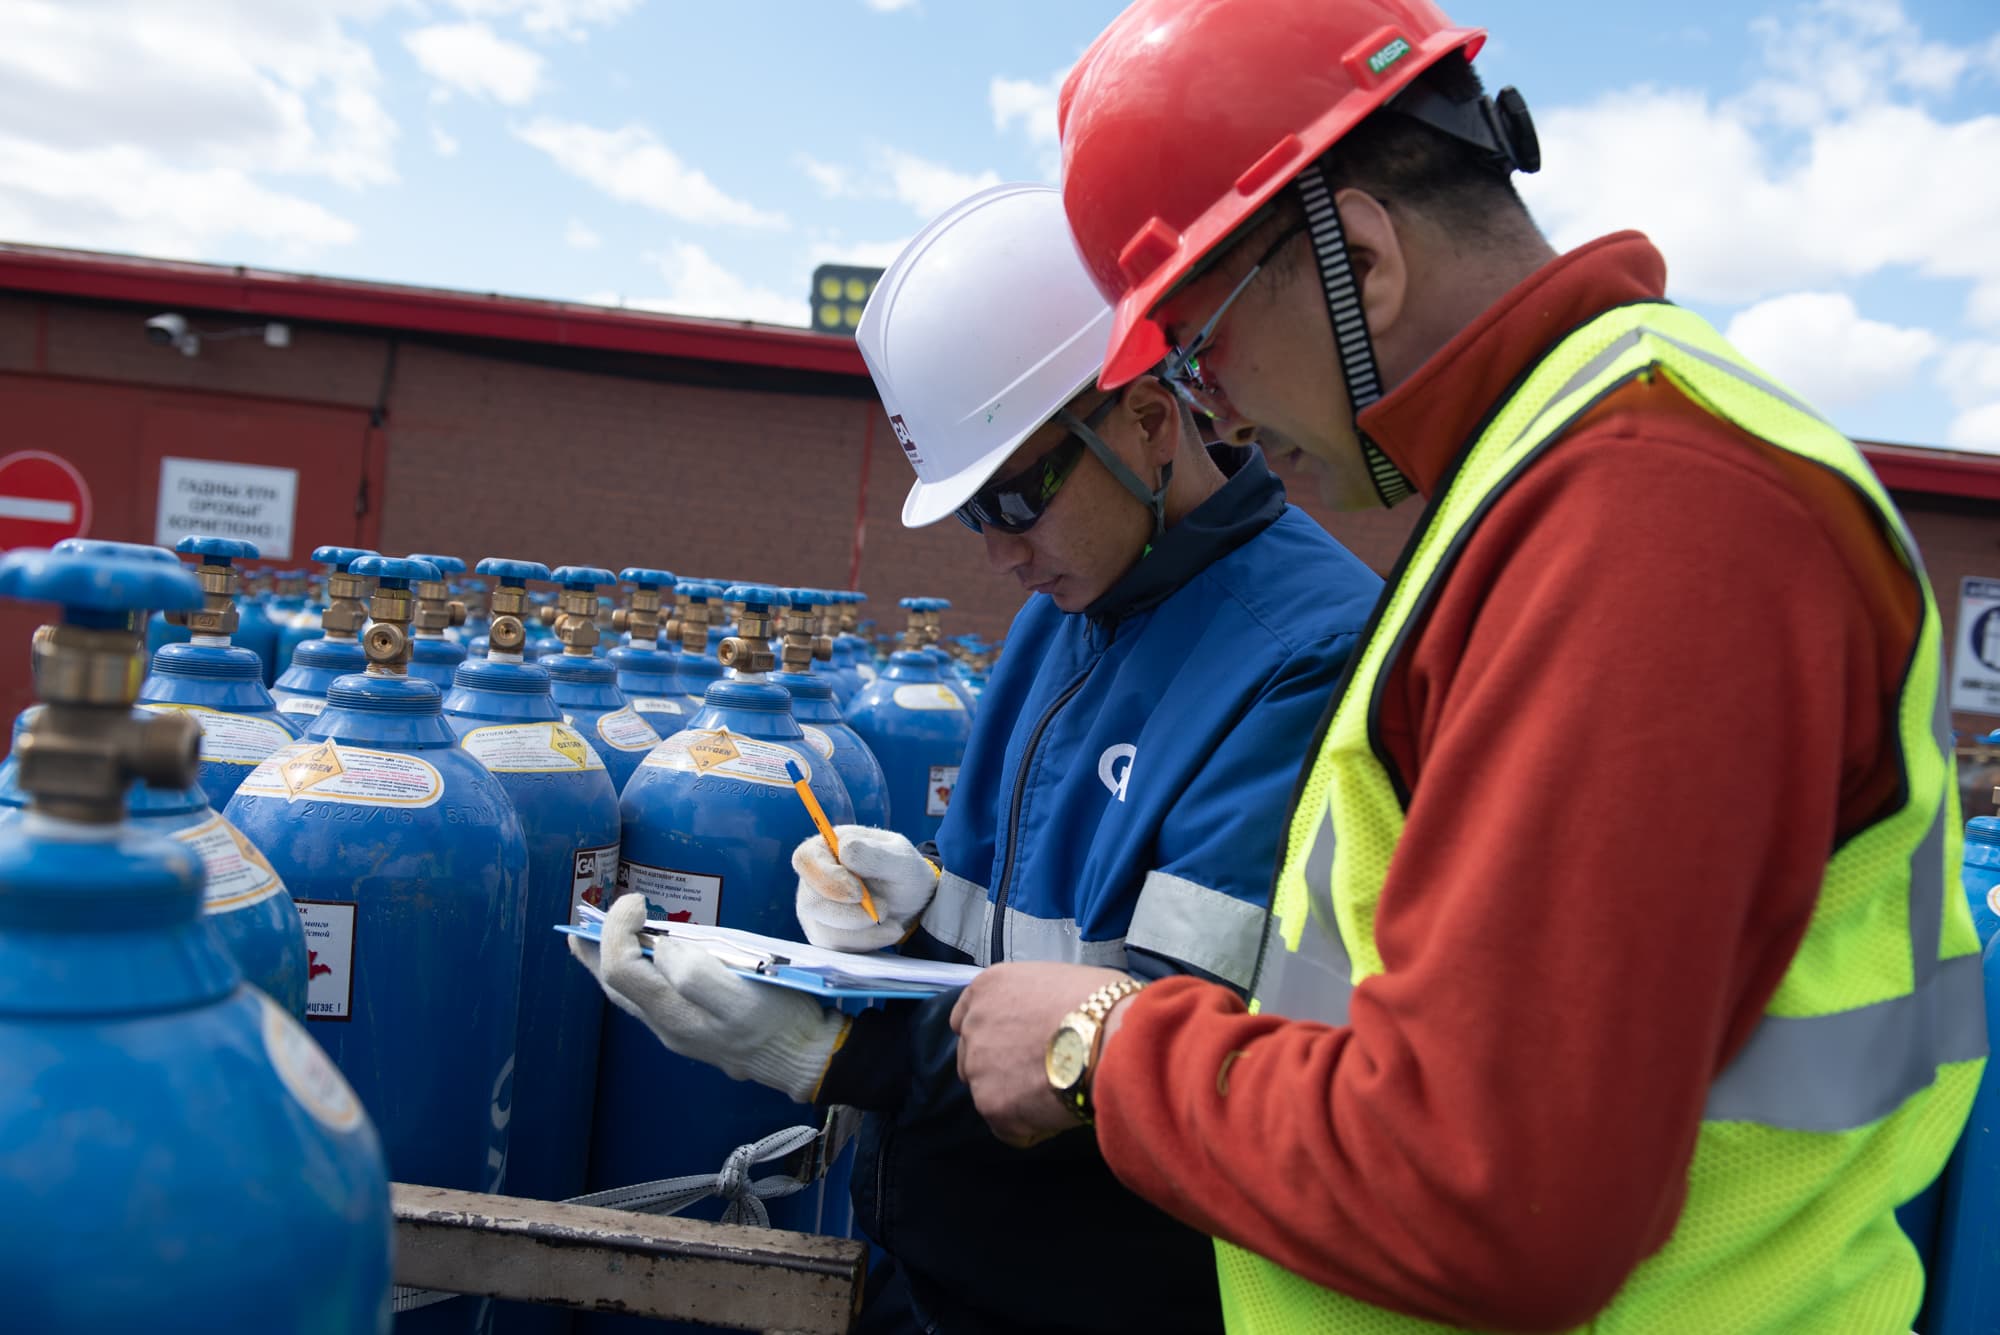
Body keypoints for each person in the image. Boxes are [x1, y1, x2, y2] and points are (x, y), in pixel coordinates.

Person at [947, 2, 1988, 1332]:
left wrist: (1101, 1045)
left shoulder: (1647, 513)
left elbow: (1492, 1194)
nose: (1215, 416)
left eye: (1199, 350)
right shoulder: (1553, 478)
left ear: (1359, 258)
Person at [571, 181, 1382, 1332]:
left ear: (1148, 420)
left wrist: (833, 1054)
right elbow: (1013, 956)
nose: (997, 552)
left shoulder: (1306, 656)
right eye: (970, 515)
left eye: (1012, 499)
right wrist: (906, 919)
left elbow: (1162, 1057)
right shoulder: (1070, 606)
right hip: (943, 1266)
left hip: (1107, 1298)